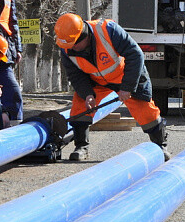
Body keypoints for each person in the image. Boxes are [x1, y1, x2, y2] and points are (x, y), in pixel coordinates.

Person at [54, 12, 170, 161]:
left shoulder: (108, 30)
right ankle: (81, 147)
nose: (71, 49)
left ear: (84, 36)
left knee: (145, 110)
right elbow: (75, 76)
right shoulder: (66, 48)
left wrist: (127, 87)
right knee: (80, 105)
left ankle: (161, 145)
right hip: (95, 81)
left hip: (123, 76)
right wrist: (88, 94)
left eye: (74, 44)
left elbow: (135, 55)